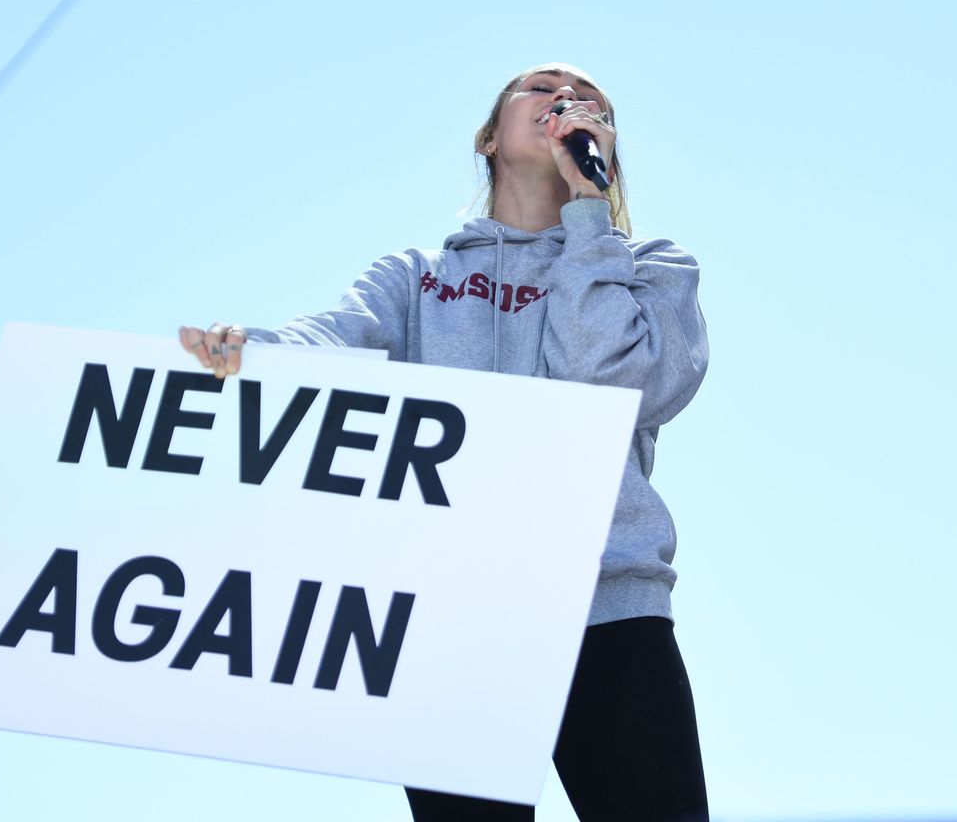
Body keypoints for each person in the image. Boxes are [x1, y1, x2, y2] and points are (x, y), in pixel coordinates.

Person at [178, 63, 710, 821]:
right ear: (490, 136)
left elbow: (608, 385)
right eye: (541, 88)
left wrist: (592, 218)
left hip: (608, 608)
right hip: (456, 622)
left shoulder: (653, 269)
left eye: (587, 103)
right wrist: (247, 353)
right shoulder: (416, 279)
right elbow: (332, 349)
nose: (565, 101)